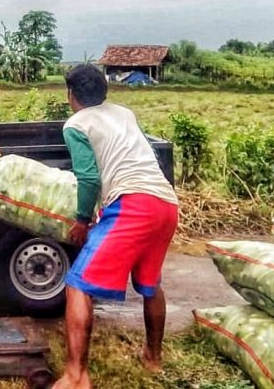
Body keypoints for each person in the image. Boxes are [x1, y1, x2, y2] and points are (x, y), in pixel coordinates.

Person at [51, 64, 179, 389]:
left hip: (132, 205)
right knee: (150, 284)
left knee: (78, 284)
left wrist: (82, 220)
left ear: (72, 95)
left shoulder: (76, 124)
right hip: (165, 202)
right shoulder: (124, 113)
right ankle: (152, 358)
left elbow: (89, 177)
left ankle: (76, 375)